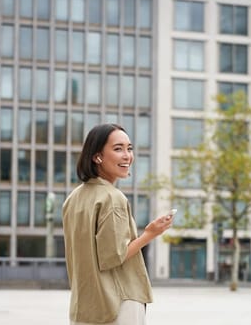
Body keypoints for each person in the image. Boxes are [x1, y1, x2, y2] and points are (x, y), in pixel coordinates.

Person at [62, 123, 173, 325]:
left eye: (129, 148)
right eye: (118, 149)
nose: (127, 156)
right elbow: (114, 256)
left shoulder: (74, 198)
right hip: (119, 304)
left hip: (85, 306)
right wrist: (150, 234)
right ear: (97, 157)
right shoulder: (112, 198)